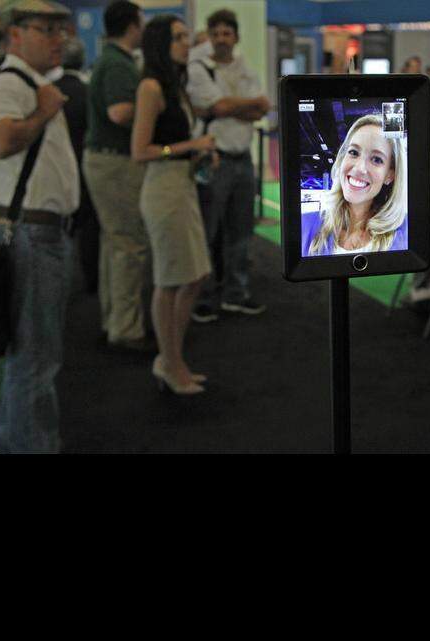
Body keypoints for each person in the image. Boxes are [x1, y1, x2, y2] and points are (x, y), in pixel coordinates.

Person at [0, 0, 80, 452]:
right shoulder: (10, 82)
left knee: (33, 358)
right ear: (15, 34)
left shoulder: (28, 82)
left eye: (62, 29)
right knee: (35, 361)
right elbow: (1, 142)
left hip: (36, 233)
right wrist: (43, 112)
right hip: (31, 235)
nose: (60, 39)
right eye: (47, 29)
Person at [131, 14, 216, 395]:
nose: (187, 42)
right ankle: (170, 362)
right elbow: (140, 151)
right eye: (179, 37)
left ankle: (171, 358)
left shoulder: (175, 86)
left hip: (182, 184)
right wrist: (189, 146)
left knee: (195, 275)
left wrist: (196, 154)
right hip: (163, 189)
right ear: (161, 44)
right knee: (170, 280)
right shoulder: (151, 87)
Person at [185, 8, 270, 323]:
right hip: (214, 159)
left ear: (236, 37)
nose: (221, 39)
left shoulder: (245, 68)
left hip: (242, 158)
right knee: (208, 231)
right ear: (210, 37)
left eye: (227, 33)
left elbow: (260, 108)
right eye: (216, 34)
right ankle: (204, 297)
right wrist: (238, 106)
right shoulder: (199, 69)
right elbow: (221, 107)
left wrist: (228, 107)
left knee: (241, 231)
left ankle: (237, 293)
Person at [83, 0, 152, 349]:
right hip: (115, 162)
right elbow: (120, 113)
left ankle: (114, 320)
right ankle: (126, 329)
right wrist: (154, 108)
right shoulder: (118, 64)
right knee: (129, 246)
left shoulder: (109, 59)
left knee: (115, 244)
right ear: (132, 26)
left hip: (104, 160)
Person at [301, 114, 407, 256]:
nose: (359, 168)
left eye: (376, 159)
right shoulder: (304, 224)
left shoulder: (406, 231)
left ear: (390, 175)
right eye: (354, 152)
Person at [53, 36, 99, 295]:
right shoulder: (88, 92)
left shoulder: (50, 91)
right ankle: (92, 279)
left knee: (59, 225)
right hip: (84, 163)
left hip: (56, 167)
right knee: (89, 225)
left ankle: (60, 280)